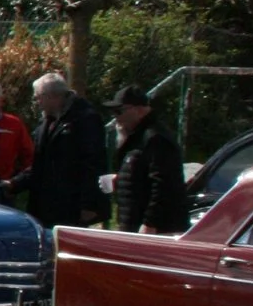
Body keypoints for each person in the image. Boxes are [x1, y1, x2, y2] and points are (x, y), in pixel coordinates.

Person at [22, 73, 110, 228]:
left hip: (71, 204)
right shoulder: (47, 120)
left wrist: (89, 205)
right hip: (46, 203)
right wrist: (15, 184)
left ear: (52, 96)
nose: (36, 102)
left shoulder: (84, 119)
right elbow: (41, 162)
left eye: (37, 98)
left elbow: (93, 163)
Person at [110, 86, 188, 234]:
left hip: (156, 230)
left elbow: (164, 184)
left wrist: (150, 223)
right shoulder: (135, 137)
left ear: (139, 110)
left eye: (119, 111)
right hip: (133, 224)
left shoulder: (156, 138)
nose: (116, 117)